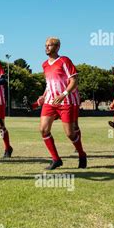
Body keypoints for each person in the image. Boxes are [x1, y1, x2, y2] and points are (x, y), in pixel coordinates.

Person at [37, 37, 87, 170]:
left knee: (70, 133)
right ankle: (56, 159)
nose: (46, 47)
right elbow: (49, 84)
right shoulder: (45, 65)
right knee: (43, 130)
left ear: (58, 47)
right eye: (45, 45)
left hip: (66, 101)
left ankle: (82, 155)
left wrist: (63, 94)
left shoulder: (64, 60)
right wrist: (43, 96)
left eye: (50, 45)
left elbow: (74, 80)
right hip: (50, 102)